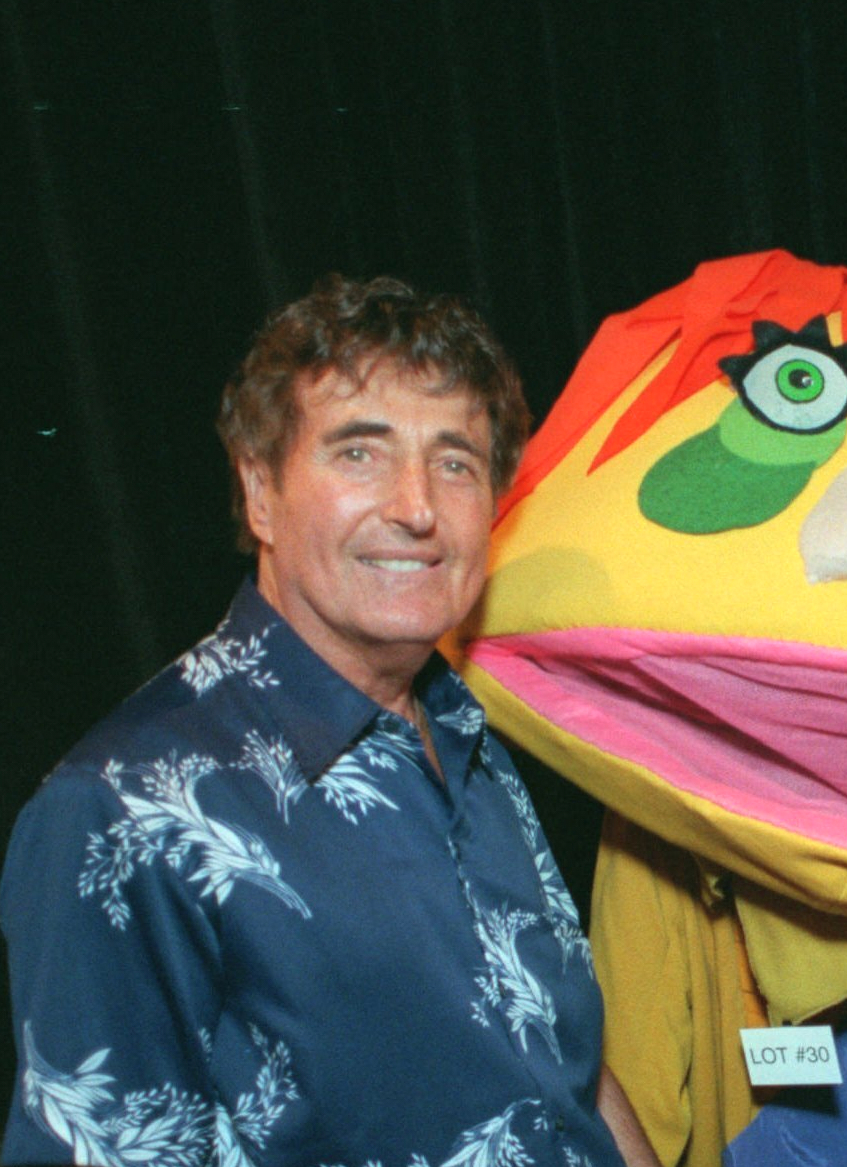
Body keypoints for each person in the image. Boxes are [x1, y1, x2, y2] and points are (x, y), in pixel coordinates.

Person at [1, 275, 658, 1167]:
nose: (418, 507)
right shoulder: (120, 809)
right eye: (360, 453)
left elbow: (563, 1071)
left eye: (456, 460)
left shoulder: (468, 733)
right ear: (259, 490)